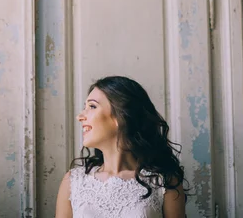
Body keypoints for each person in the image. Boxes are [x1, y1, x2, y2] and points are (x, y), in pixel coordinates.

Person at [56, 76, 187, 218]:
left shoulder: (164, 181)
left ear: (121, 116)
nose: (80, 116)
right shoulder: (73, 181)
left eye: (92, 106)